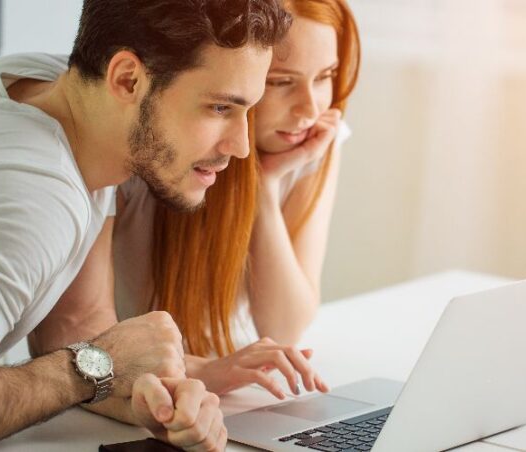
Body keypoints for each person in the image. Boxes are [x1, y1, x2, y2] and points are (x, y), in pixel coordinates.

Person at [0, 1, 292, 450]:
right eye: (220, 107)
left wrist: (140, 395)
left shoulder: (38, 84)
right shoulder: (35, 201)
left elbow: (73, 324)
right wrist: (91, 367)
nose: (241, 146)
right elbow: (84, 355)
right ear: (127, 79)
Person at [111, 0, 360, 398]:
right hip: (132, 390)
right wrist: (204, 370)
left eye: (325, 76)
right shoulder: (146, 150)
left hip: (218, 389)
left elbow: (285, 327)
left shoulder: (313, 142)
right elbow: (83, 335)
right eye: (281, 82)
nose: (310, 109)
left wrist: (264, 187)